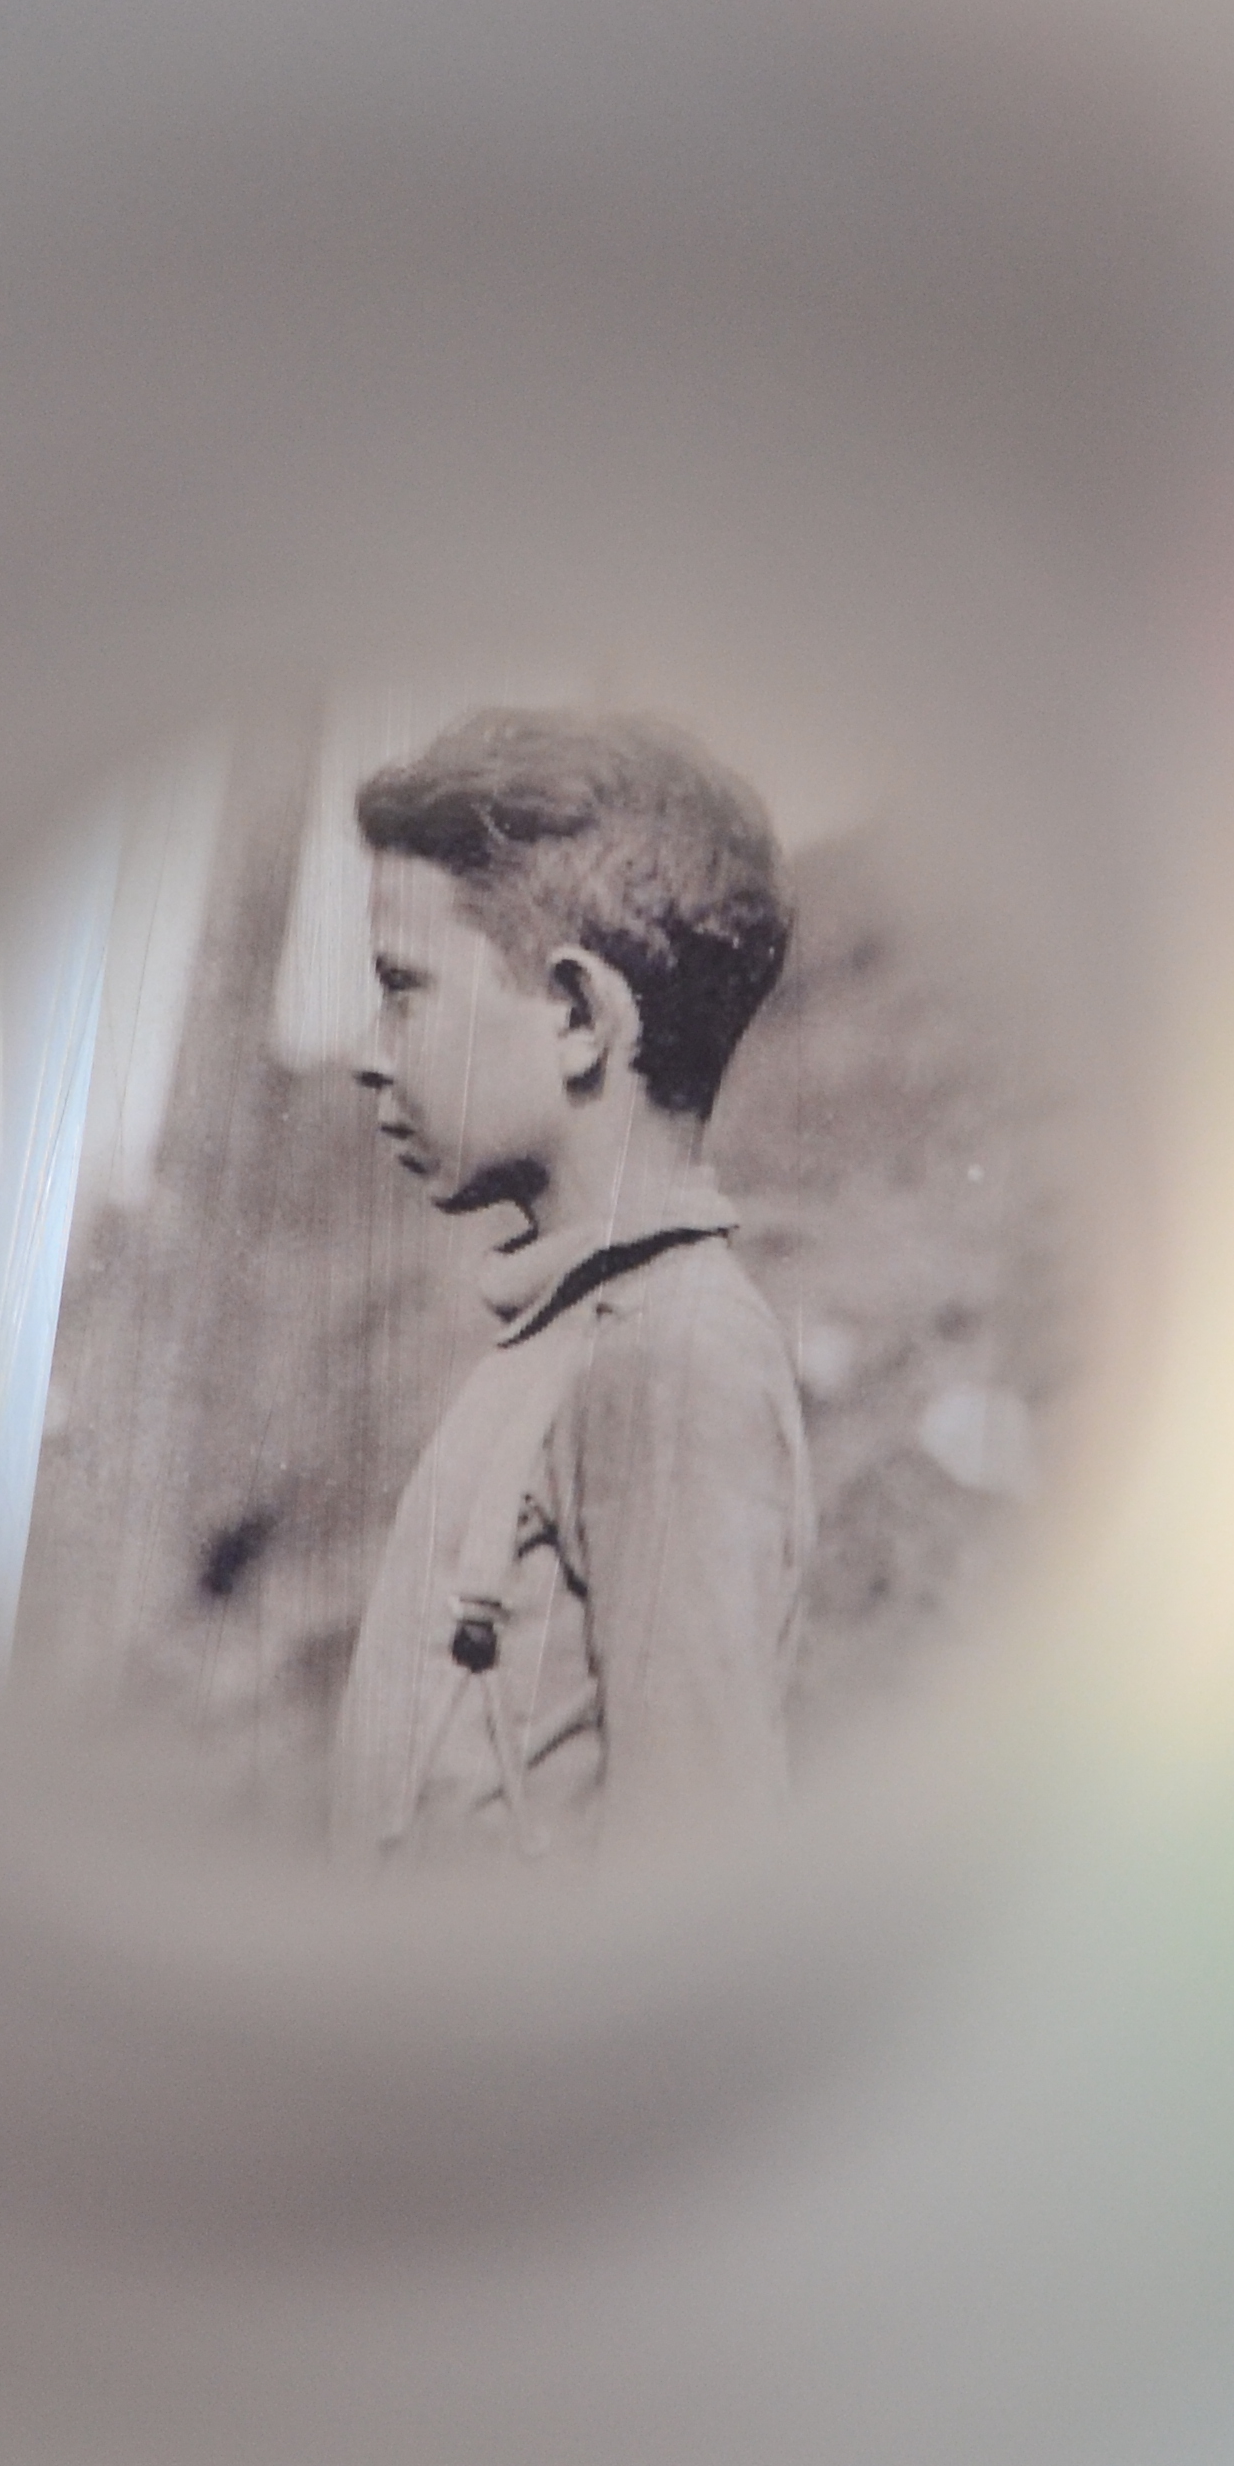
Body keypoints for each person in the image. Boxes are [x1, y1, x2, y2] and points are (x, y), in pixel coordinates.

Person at [327, 707, 814, 1865]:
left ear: (578, 1017)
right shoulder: (574, 1338)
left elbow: (690, 1880)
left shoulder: (672, 1354)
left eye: (404, 989)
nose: (368, 1051)